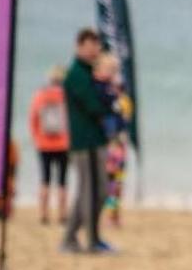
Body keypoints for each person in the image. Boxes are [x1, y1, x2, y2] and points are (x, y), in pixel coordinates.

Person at [59, 29, 113, 254]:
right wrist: (109, 106)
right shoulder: (76, 75)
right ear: (79, 46)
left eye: (96, 46)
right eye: (90, 45)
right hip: (83, 142)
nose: (94, 50)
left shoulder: (92, 72)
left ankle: (85, 237)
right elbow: (93, 106)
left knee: (99, 191)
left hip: (96, 139)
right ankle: (82, 239)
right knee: (87, 192)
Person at [94, 53, 133, 229]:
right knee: (108, 183)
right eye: (109, 68)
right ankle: (107, 214)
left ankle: (113, 214)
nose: (112, 73)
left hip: (117, 145)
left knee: (115, 183)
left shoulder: (120, 97)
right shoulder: (101, 91)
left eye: (114, 69)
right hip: (109, 145)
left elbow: (126, 117)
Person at [28, 65, 70, 225]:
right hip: (63, 144)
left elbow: (33, 119)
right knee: (62, 181)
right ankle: (62, 214)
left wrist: (36, 138)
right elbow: (71, 121)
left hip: (44, 144)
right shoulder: (66, 96)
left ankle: (43, 214)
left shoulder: (40, 95)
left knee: (44, 180)